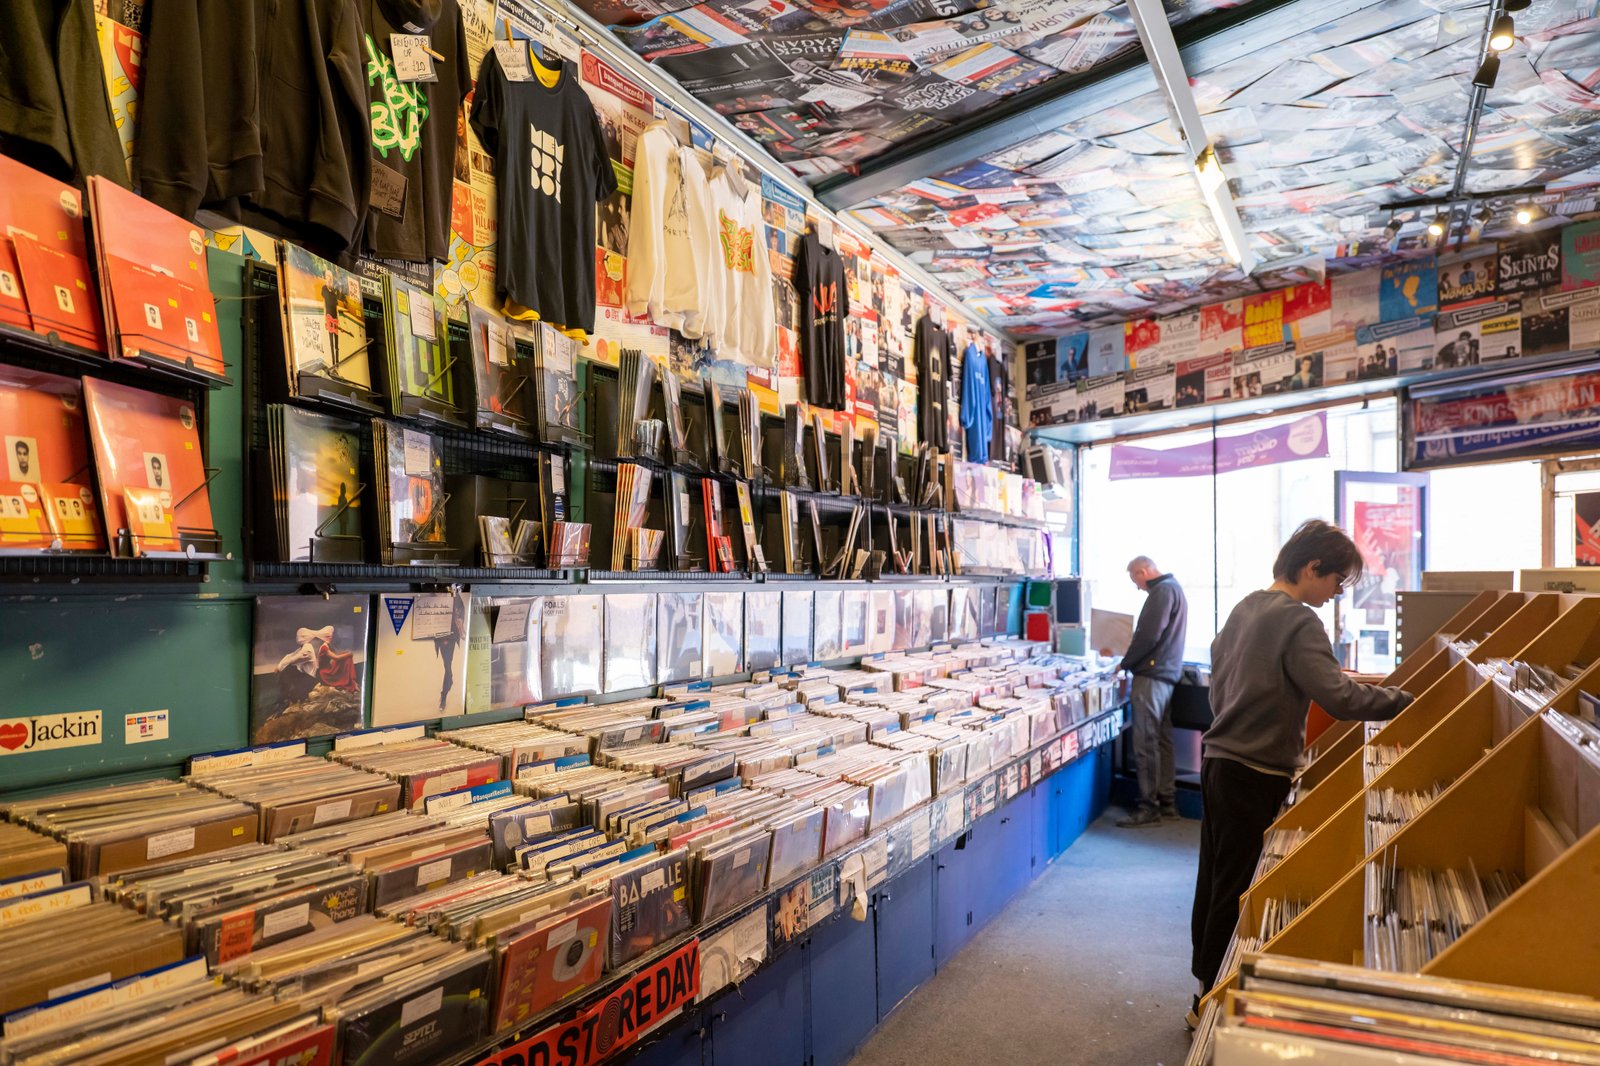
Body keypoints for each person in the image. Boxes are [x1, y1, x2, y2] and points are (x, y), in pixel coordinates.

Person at [1189, 520, 1413, 1019]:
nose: (1336, 594)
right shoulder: (1298, 620)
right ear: (1312, 568)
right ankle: (1216, 1001)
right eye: (1337, 581)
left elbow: (1221, 682)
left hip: (1220, 761)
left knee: (1216, 879)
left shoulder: (1245, 608)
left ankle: (1202, 989)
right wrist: (1404, 702)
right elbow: (1337, 695)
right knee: (1241, 885)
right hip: (1255, 770)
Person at [1108, 556, 1188, 828]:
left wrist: (1125, 662)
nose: (1138, 587)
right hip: (1166, 676)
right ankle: (1167, 803)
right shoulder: (1174, 588)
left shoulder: (1162, 591)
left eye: (1135, 580)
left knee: (1146, 743)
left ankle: (1148, 806)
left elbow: (1148, 635)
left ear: (1143, 571)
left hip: (1151, 677)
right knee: (1162, 741)